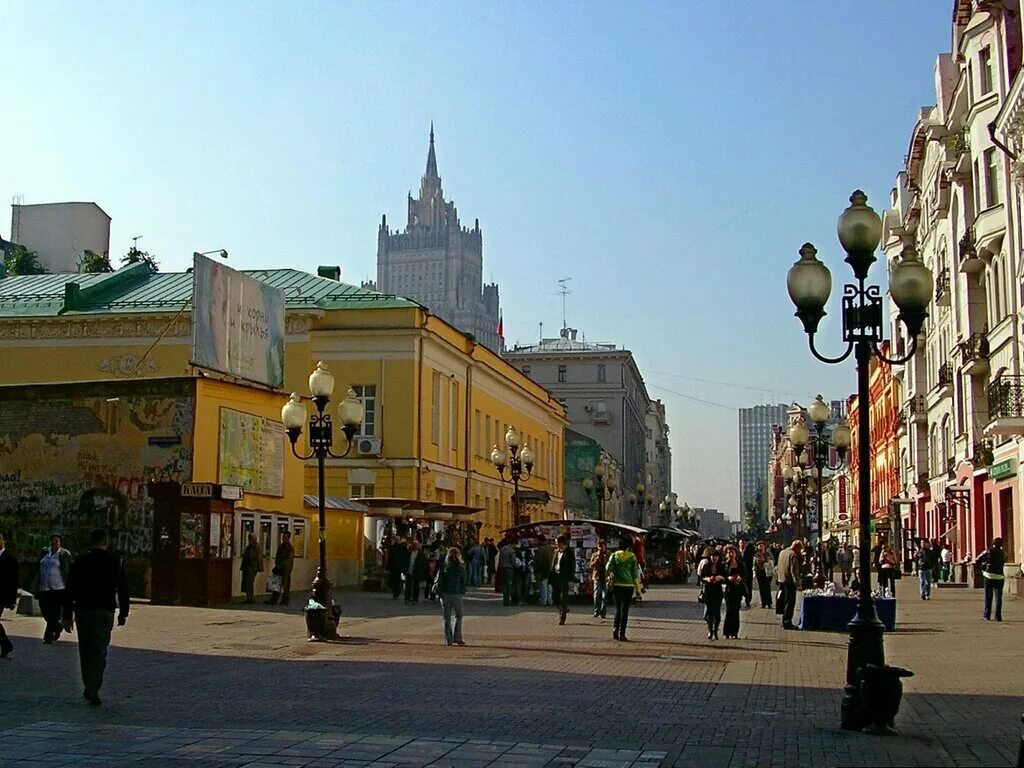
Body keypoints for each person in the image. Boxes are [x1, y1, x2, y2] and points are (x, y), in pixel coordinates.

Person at [66, 529, 130, 706]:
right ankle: (93, 687)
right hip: (104, 611)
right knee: (99, 650)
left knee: (85, 650)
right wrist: (124, 612)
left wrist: (66, 615)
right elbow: (123, 589)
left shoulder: (79, 562)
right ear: (106, 542)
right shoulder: (116, 561)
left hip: (83, 611)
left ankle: (89, 684)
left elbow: (70, 589)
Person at [36, 534, 72, 644]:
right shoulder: (45, 552)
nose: (54, 542)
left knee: (54, 614)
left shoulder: (64, 554)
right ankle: (57, 627)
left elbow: (69, 569)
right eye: (52, 540)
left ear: (60, 543)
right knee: (45, 612)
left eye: (56, 541)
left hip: (58, 588)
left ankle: (48, 636)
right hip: (44, 587)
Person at [606, 538, 641, 641]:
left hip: (617, 585)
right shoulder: (632, 557)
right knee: (625, 610)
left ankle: (615, 630)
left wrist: (614, 572)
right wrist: (638, 589)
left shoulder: (614, 555)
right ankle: (622, 633)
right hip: (628, 586)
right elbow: (635, 575)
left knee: (618, 609)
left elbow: (608, 568)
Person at [438, 547, 467, 646]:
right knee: (458, 616)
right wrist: (462, 590)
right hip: (457, 594)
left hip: (445, 594)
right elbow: (464, 580)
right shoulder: (460, 567)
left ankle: (448, 640)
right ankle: (457, 637)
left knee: (447, 618)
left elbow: (440, 580)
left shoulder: (444, 566)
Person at [775, 540, 803, 630]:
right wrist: (798, 583)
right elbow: (793, 571)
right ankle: (787, 622)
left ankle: (783, 621)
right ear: (797, 547)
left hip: (781, 580)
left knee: (783, 601)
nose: (799, 552)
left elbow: (778, 566)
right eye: (799, 549)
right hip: (789, 582)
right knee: (790, 602)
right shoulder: (793, 555)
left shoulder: (782, 552)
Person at [978, 537, 1006, 622]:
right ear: (1001, 544)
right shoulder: (1003, 553)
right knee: (999, 597)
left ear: (993, 543)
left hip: (988, 576)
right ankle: (998, 616)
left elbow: (978, 559)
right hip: (999, 577)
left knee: (988, 596)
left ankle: (987, 615)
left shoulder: (988, 551)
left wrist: (982, 570)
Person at [699, 550, 726, 640]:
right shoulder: (706, 566)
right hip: (708, 591)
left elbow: (725, 577)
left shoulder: (721, 567)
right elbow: (701, 578)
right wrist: (707, 579)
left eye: (716, 556)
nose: (714, 558)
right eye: (713, 556)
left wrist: (720, 578)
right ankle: (710, 631)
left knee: (717, 612)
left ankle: (715, 631)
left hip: (717, 591)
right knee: (710, 613)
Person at [0, 532, 18, 658]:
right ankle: (6, 644)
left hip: (2, 595)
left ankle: (6, 644)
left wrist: (12, 599)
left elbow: (13, 580)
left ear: (3, 541)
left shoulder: (10, 558)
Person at [265, 530, 294, 606]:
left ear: (288, 538)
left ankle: (285, 600)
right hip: (279, 567)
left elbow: (288, 559)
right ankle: (274, 599)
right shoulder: (281, 546)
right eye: (282, 537)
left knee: (285, 585)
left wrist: (281, 566)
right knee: (276, 584)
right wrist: (277, 565)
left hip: (285, 569)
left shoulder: (289, 547)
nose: (283, 538)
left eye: (284, 537)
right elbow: (278, 557)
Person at [722, 546, 746, 639]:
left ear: (736, 553)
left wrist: (740, 578)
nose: (730, 554)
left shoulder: (740, 564)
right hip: (728, 590)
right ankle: (727, 632)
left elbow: (745, 575)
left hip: (738, 590)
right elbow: (722, 577)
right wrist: (728, 578)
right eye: (728, 553)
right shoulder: (725, 565)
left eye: (732, 552)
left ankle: (734, 632)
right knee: (729, 610)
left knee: (736, 611)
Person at [552, 534, 575, 625]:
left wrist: (571, 578)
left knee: (563, 597)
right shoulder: (556, 551)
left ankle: (562, 617)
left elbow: (572, 565)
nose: (556, 544)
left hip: (564, 577)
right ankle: (562, 608)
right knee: (555, 596)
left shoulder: (569, 552)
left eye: (557, 543)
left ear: (561, 543)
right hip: (556, 576)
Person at [240, 533, 262, 604]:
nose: (249, 539)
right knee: (248, 582)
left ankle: (250, 598)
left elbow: (253, 557)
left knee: (249, 582)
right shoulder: (250, 546)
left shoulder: (255, 546)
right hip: (249, 566)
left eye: (250, 538)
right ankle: (249, 597)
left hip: (252, 567)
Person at [589, 540, 609, 618]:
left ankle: (603, 611)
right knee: (597, 594)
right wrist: (595, 562)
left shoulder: (608, 555)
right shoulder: (594, 555)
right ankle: (596, 610)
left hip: (605, 577)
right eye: (599, 546)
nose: (600, 548)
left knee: (605, 595)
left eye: (602, 546)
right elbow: (590, 566)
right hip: (597, 577)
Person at [533, 535, 555, 607]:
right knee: (549, 586)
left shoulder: (540, 549)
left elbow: (538, 561)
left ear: (540, 540)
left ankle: (543, 601)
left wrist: (536, 569)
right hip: (550, 569)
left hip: (542, 570)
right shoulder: (551, 548)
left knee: (543, 585)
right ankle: (550, 600)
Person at [386, 536, 409, 601]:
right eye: (395, 540)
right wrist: (388, 566)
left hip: (399, 567)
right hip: (393, 567)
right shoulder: (391, 548)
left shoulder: (403, 548)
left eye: (397, 540)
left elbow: (405, 558)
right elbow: (389, 557)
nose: (396, 541)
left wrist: (404, 567)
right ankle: (394, 592)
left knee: (398, 581)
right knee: (393, 580)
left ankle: (397, 593)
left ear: (400, 540)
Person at [753, 542, 774, 609]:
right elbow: (757, 563)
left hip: (768, 573)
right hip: (760, 573)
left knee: (767, 588)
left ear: (764, 546)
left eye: (762, 546)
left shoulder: (768, 553)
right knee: (762, 588)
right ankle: (763, 602)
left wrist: (769, 561)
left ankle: (769, 603)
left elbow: (772, 560)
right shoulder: (756, 555)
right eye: (759, 546)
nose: (761, 547)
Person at [405, 540, 427, 605]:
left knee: (416, 586)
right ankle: (407, 598)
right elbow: (405, 561)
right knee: (408, 586)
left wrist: (422, 570)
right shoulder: (409, 553)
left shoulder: (421, 554)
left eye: (416, 545)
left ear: (418, 546)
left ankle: (415, 599)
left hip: (417, 572)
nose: (414, 546)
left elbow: (424, 563)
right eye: (413, 545)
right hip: (409, 571)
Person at [497, 539, 518, 606]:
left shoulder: (502, 549)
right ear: (512, 544)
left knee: (505, 585)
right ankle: (508, 601)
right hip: (509, 569)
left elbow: (499, 559)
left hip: (502, 568)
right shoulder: (512, 551)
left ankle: (504, 600)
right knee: (509, 585)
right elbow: (513, 562)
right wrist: (517, 566)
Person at [739, 539, 755, 608]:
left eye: (743, 543)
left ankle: (748, 601)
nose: (742, 544)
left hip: (748, 572)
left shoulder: (749, 551)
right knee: (739, 587)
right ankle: (738, 601)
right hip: (739, 573)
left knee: (748, 587)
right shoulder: (736, 552)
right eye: (741, 543)